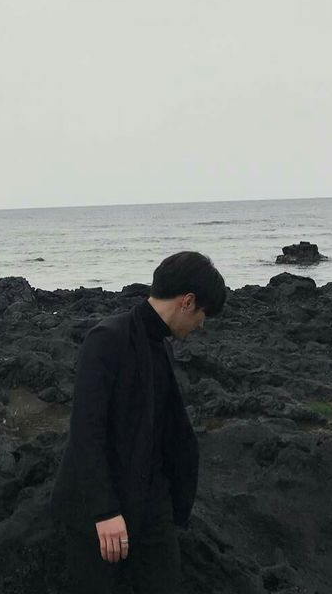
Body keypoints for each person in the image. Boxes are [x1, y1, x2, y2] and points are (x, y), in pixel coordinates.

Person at [51, 251, 226, 594]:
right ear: (187, 302)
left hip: (151, 504)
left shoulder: (160, 344)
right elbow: (87, 432)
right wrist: (105, 512)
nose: (202, 325)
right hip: (99, 514)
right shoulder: (106, 339)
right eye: (204, 314)